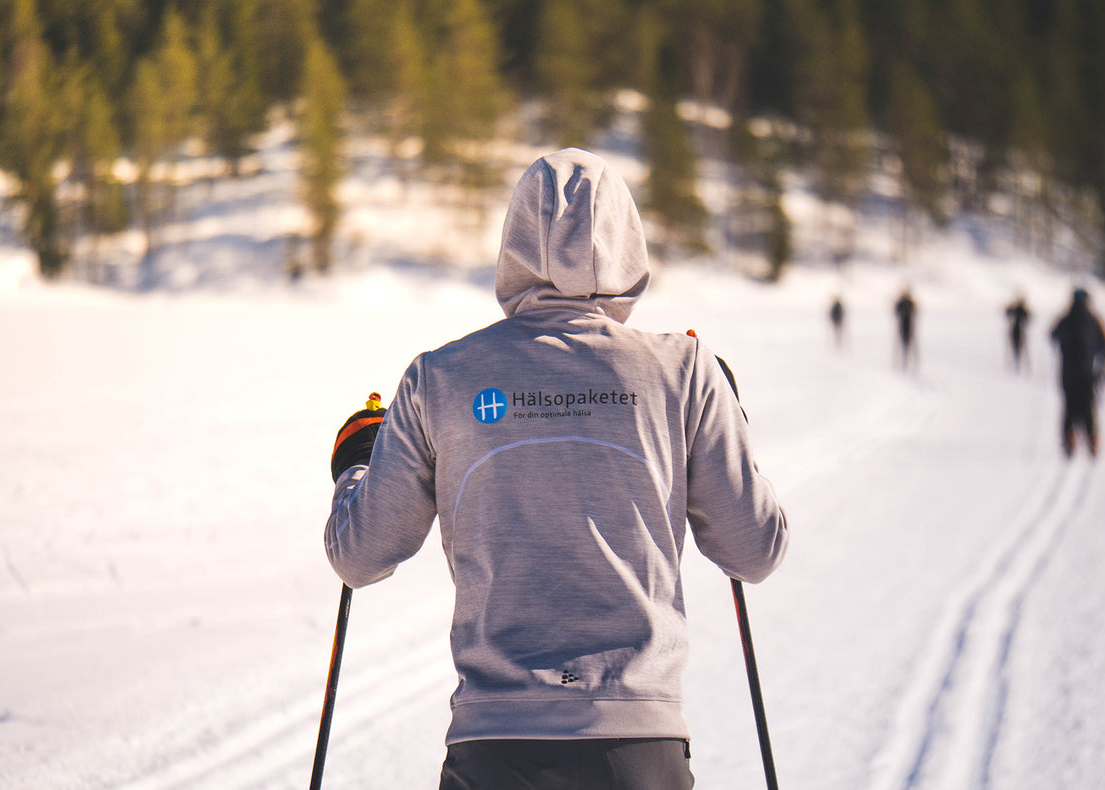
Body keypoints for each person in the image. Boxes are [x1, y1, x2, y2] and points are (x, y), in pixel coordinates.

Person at [323, 148, 789, 789]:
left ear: (515, 243)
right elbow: (754, 550)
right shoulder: (685, 371)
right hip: (638, 747)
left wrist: (357, 464)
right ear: (627, 241)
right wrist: (729, 427)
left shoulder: (439, 376)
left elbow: (361, 556)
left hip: (495, 748)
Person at [1050, 287, 1105, 458]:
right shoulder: (1093, 319)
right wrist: (1102, 368)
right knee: (1088, 407)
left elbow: (1052, 335)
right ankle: (1092, 440)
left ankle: (1069, 440)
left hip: (1067, 373)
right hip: (1087, 372)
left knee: (1069, 407)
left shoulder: (1065, 318)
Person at [1004, 294, 1031, 373]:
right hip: (1018, 330)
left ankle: (1017, 363)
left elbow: (1008, 313)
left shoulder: (1018, 309)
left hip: (1017, 330)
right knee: (1018, 346)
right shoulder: (1019, 309)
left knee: (1017, 346)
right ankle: (1017, 363)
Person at [893, 287, 917, 371]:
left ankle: (909, 359)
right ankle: (902, 360)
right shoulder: (902, 302)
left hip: (909, 324)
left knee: (909, 342)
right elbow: (896, 311)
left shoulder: (909, 302)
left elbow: (914, 311)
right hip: (902, 324)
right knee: (902, 342)